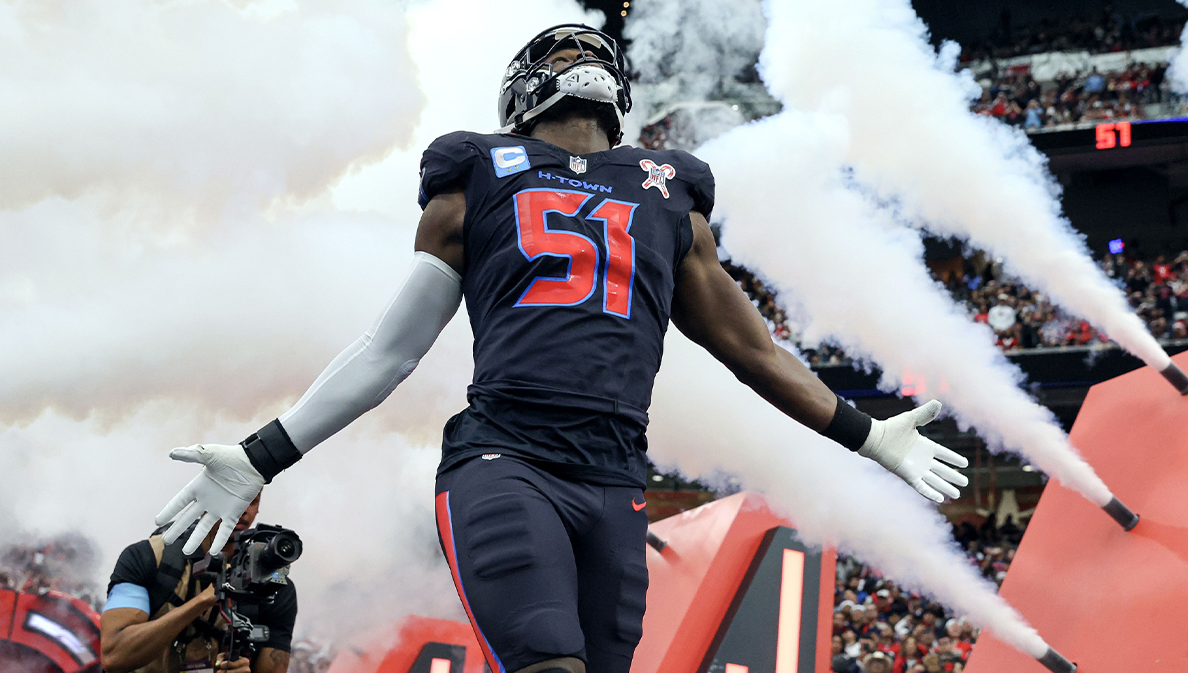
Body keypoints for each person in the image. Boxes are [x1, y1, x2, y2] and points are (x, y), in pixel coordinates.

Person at [150, 24, 968, 673]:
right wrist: (265, 450)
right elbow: (389, 350)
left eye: (588, 47)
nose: (577, 55)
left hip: (615, 477)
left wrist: (865, 431)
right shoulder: (480, 171)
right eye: (561, 49)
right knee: (549, 663)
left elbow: (752, 348)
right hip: (507, 459)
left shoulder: (666, 190)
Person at [101, 492, 294, 672]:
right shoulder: (148, 558)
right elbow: (114, 657)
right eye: (233, 497)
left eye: (252, 501)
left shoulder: (272, 586)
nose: (244, 510)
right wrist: (203, 600)